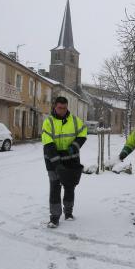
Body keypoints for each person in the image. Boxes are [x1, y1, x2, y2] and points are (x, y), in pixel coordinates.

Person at [42, 96, 87, 228]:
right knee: (55, 187)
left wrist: (74, 147)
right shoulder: (48, 122)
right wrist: (57, 164)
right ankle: (55, 217)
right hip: (52, 159)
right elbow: (48, 144)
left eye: (64, 108)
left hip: (71, 160)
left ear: (67, 107)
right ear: (55, 107)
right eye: (59, 108)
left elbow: (83, 133)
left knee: (69, 186)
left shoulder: (75, 120)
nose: (62, 110)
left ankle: (68, 213)